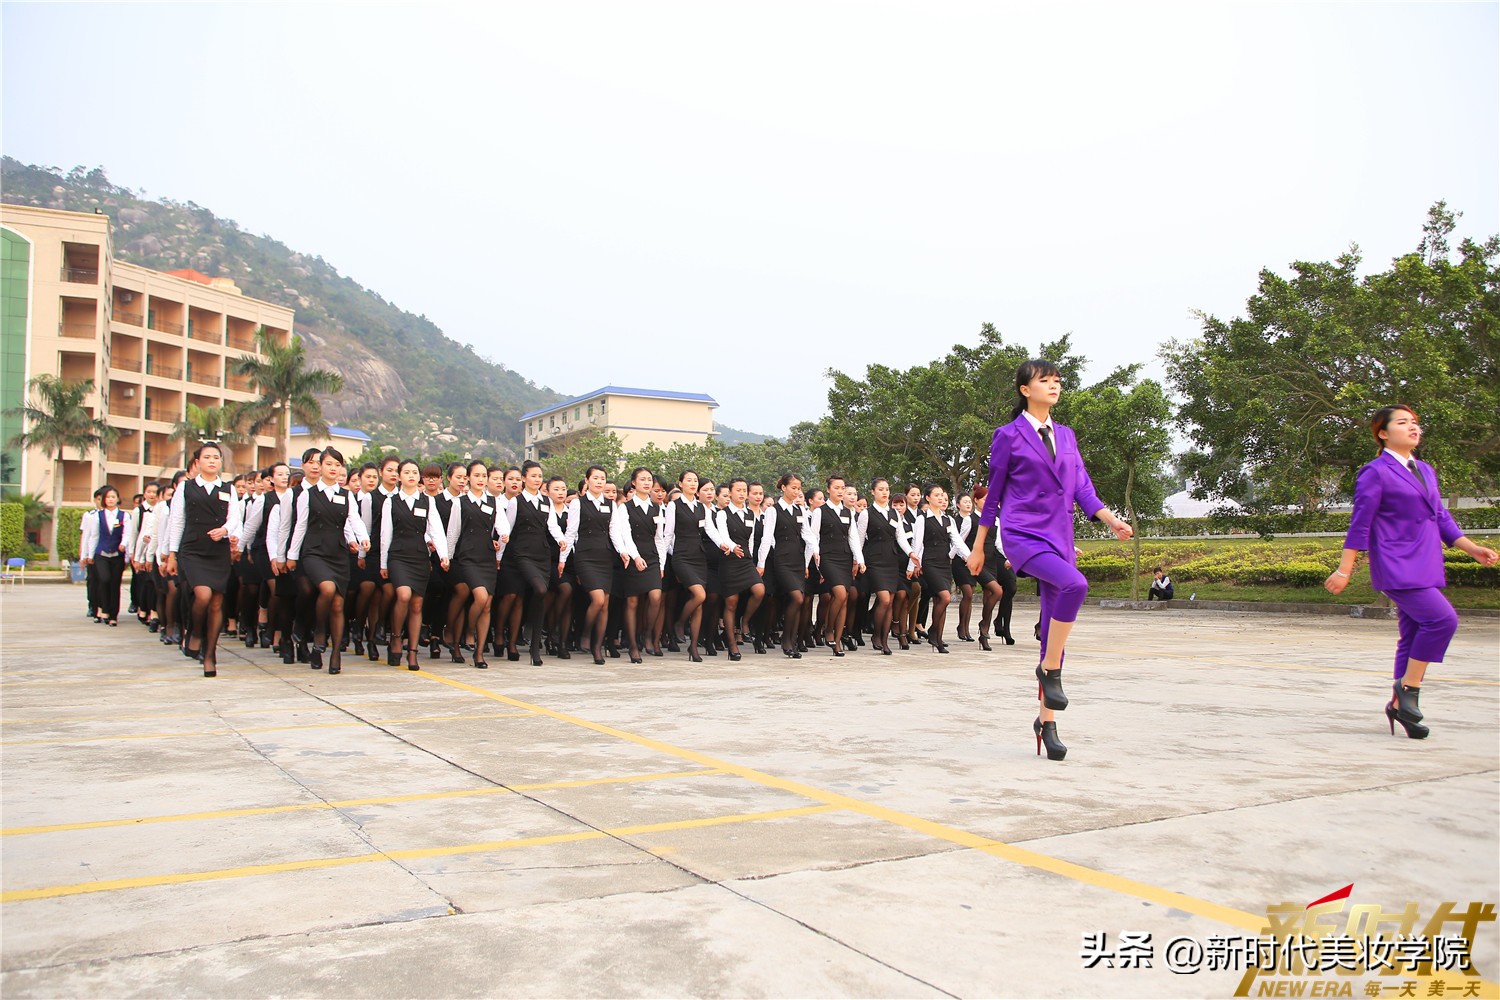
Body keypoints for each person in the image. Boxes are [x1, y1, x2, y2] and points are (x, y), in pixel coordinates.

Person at [968, 359, 1134, 761]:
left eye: (1058, 381)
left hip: (1060, 536)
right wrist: (979, 544)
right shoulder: (1008, 435)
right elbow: (994, 495)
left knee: (1052, 632)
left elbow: (1083, 488)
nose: (1054, 386)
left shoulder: (1067, 435)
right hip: (1024, 534)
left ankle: (1047, 721)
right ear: (1025, 389)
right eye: (1045, 381)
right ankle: (1050, 671)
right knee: (1075, 585)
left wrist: (1111, 520)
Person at [1325, 405, 1498, 739]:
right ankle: (1410, 689)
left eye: (1416, 422)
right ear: (1384, 433)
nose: (1413, 427)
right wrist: (1344, 570)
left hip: (1426, 560)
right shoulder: (1375, 472)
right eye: (1403, 423)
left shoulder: (1425, 470)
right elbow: (1360, 524)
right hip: (1397, 563)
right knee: (1443, 620)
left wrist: (1472, 548)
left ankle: (1399, 707)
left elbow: (1441, 517)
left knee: (1413, 633)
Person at [285, 447, 370, 674]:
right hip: (314, 552)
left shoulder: (346, 495)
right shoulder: (307, 494)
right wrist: (291, 556)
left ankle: (333, 654)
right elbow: (300, 526)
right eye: (329, 464)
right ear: (320, 466)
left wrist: (363, 538)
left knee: (337, 604)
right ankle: (320, 631)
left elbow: (354, 520)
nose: (333, 469)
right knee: (327, 588)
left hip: (338, 553)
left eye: (337, 465)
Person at [165, 443, 244, 677]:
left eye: (216, 457)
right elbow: (177, 521)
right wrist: (172, 554)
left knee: (217, 603)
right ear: (197, 462)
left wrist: (226, 530)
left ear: (221, 462)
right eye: (206, 457)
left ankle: (210, 655)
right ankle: (196, 632)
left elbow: (235, 519)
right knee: (202, 595)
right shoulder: (186, 488)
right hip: (192, 549)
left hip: (217, 550)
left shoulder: (228, 489)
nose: (212, 461)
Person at [379, 459, 450, 670]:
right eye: (406, 472)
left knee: (417, 604)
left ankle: (412, 651)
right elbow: (386, 534)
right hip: (399, 555)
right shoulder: (391, 502)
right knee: (403, 595)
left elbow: (436, 530)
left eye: (414, 472)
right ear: (399, 476)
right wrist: (383, 563)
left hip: (419, 556)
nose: (411, 475)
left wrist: (444, 555)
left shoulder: (427, 502)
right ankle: (395, 637)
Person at [609, 466, 666, 663]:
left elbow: (660, 538)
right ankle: (633, 645)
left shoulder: (657, 508)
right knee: (632, 602)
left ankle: (647, 635)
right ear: (634, 483)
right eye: (642, 479)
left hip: (651, 557)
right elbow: (625, 534)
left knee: (655, 596)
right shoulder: (625, 507)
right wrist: (635, 557)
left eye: (649, 479)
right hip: (632, 557)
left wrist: (661, 563)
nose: (647, 482)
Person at [907, 484, 969, 652]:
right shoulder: (922, 519)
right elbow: (917, 544)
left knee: (941, 601)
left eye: (942, 495)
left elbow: (957, 541)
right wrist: (912, 566)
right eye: (937, 495)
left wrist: (969, 557)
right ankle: (933, 630)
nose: (941, 498)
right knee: (945, 597)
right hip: (930, 563)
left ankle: (938, 638)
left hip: (944, 563)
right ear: (928, 498)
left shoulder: (948, 519)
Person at [565, 465, 617, 664]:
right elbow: (571, 533)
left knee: (605, 604)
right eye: (595, 478)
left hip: (605, 556)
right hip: (585, 556)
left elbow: (614, 532)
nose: (599, 481)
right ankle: (585, 632)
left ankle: (597, 648)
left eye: (602, 478)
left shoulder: (610, 505)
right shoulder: (579, 503)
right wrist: (563, 560)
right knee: (597, 600)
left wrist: (623, 552)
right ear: (587, 481)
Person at [80, 485, 135, 627]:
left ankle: (113, 615)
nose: (110, 500)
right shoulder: (97, 516)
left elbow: (127, 533)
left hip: (117, 554)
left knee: (115, 584)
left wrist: (124, 545)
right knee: (104, 579)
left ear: (117, 499)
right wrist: (89, 555)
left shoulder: (124, 516)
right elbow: (93, 536)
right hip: (102, 554)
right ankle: (103, 608)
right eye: (108, 497)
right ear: (103, 500)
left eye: (113, 497)